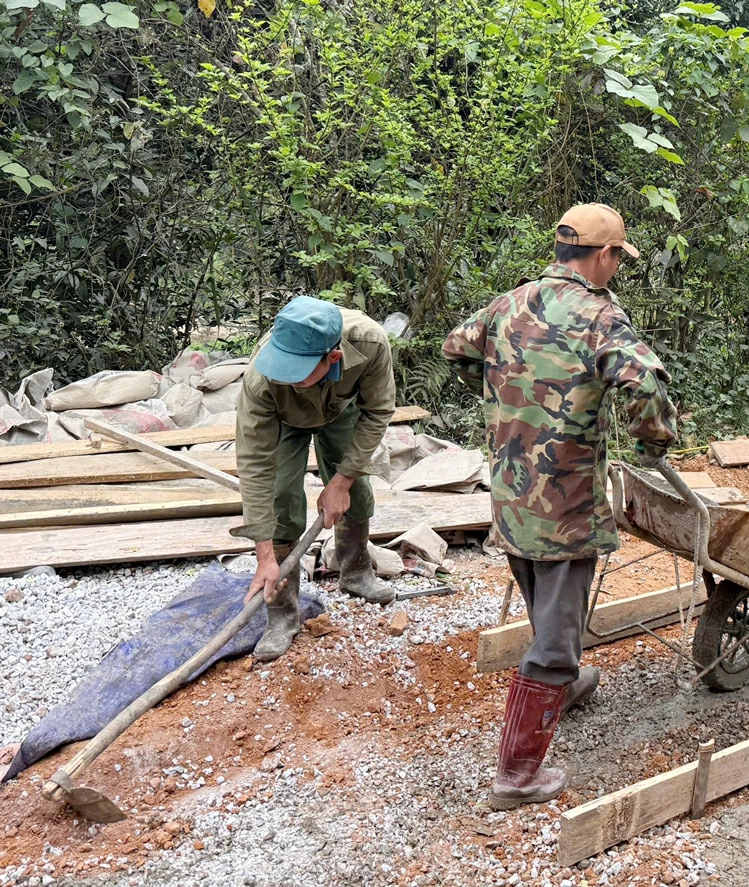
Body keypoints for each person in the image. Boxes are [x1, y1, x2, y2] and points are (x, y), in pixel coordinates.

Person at [442, 203, 677, 810]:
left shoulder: (510, 302)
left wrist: (505, 392)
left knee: (541, 597)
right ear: (605, 256)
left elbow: (456, 349)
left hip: (511, 493)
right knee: (554, 631)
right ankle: (518, 774)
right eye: (618, 258)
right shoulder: (601, 315)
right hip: (566, 502)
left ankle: (565, 686)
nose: (617, 268)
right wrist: (653, 439)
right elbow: (645, 383)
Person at [235, 296, 398, 663]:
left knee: (358, 492)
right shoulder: (263, 380)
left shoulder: (370, 344)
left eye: (297, 372)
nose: (285, 378)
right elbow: (254, 465)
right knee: (280, 502)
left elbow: (378, 411)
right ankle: (282, 614)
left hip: (341, 411)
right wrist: (264, 554)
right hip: (282, 421)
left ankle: (355, 572)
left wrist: (341, 482)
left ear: (333, 359)